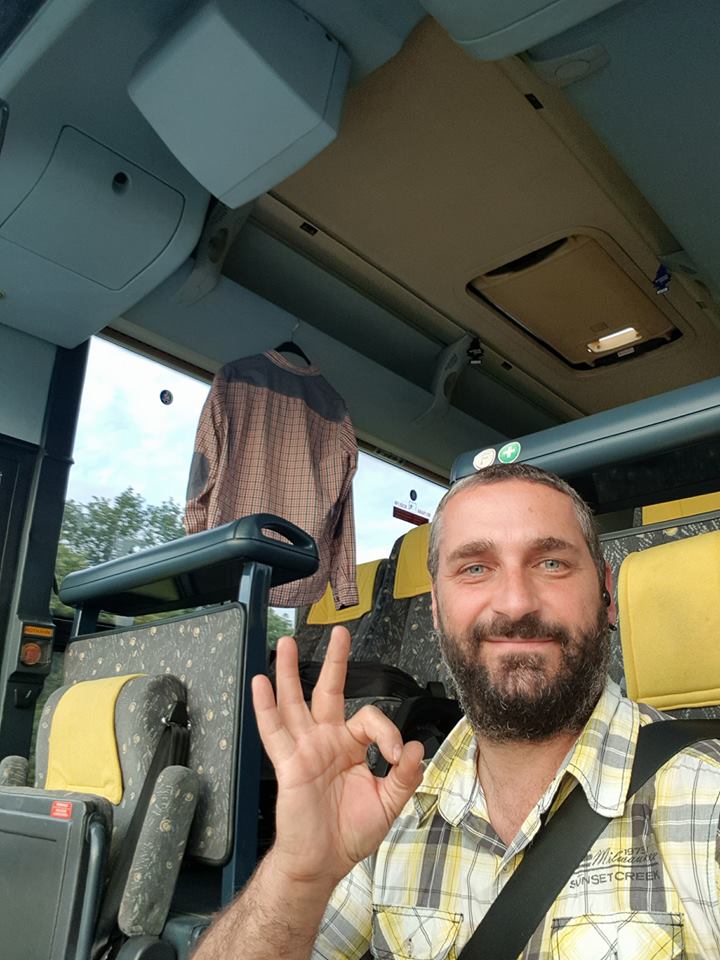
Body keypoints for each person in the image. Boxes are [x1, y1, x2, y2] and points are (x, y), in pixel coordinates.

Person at [193, 463, 720, 959]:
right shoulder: (385, 810)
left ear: (606, 592)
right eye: (475, 568)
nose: (515, 602)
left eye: (551, 563)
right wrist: (298, 873)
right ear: (437, 611)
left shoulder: (706, 798)